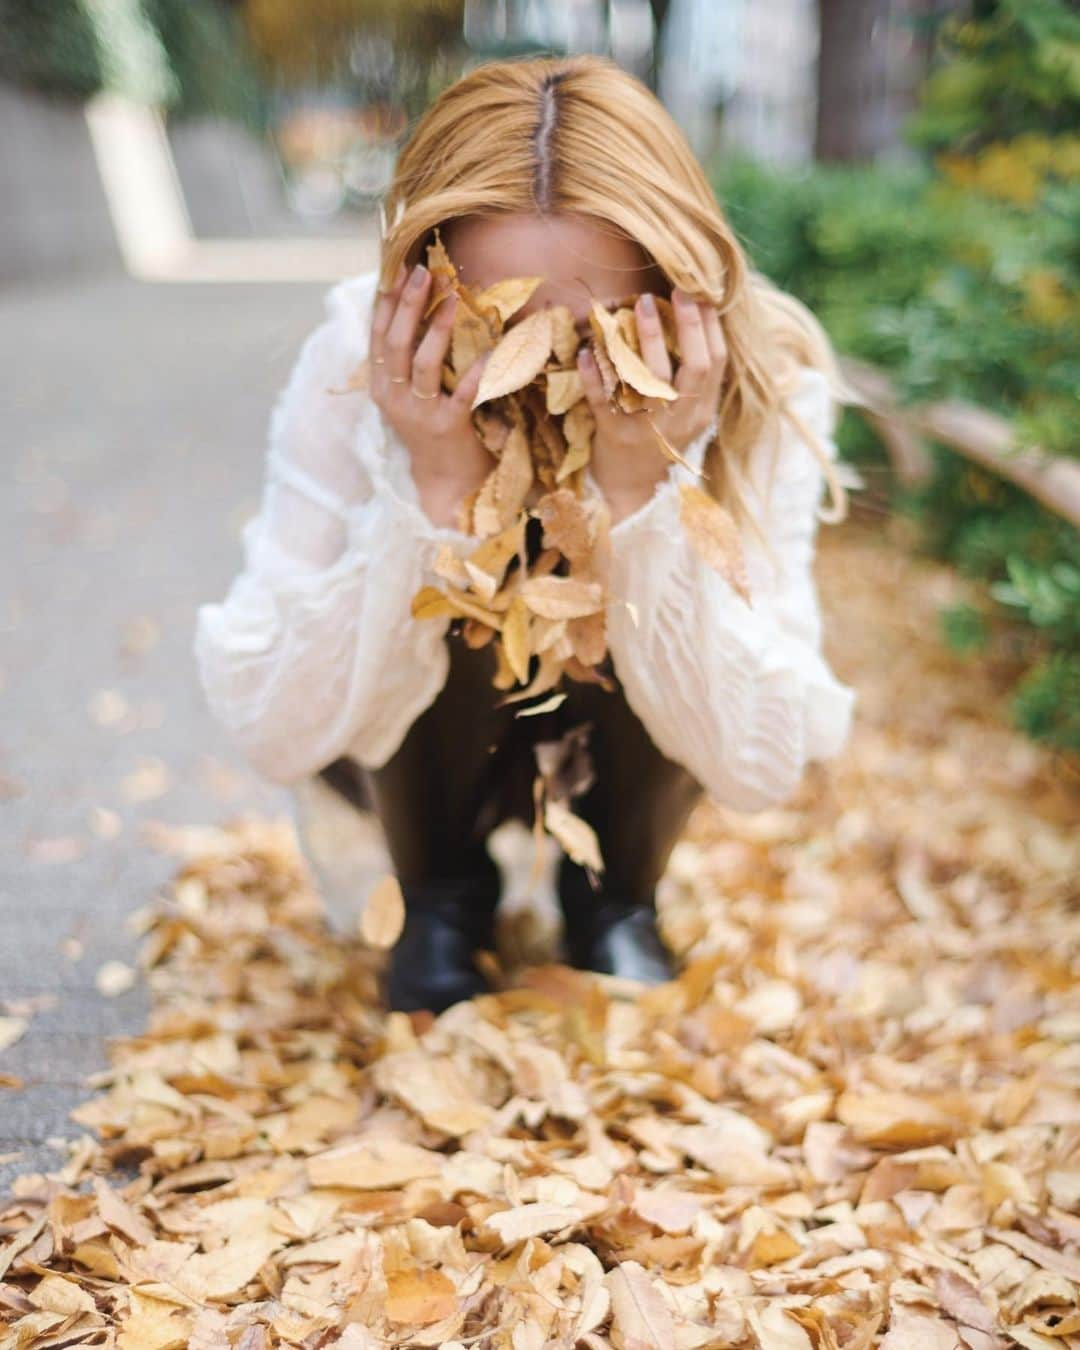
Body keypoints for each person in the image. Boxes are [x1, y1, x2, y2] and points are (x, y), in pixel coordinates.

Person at [194, 54, 859, 1014]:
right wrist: (434, 496)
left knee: (647, 578)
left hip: (621, 754)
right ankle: (443, 901)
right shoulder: (357, 355)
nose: (534, 370)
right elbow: (272, 727)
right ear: (424, 288)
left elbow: (759, 767)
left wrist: (644, 498)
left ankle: (614, 903)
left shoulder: (763, 384)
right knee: (450, 581)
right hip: (405, 761)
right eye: (498, 325)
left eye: (589, 334)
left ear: (674, 294)